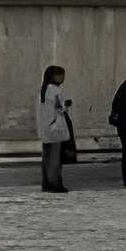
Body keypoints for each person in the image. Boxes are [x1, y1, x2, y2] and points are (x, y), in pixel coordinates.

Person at [39, 64, 76, 192]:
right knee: (56, 157)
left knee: (46, 157)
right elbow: (59, 109)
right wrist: (67, 105)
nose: (62, 77)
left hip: (45, 127)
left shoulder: (43, 89)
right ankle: (55, 183)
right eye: (59, 74)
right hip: (56, 126)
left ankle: (46, 182)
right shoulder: (55, 90)